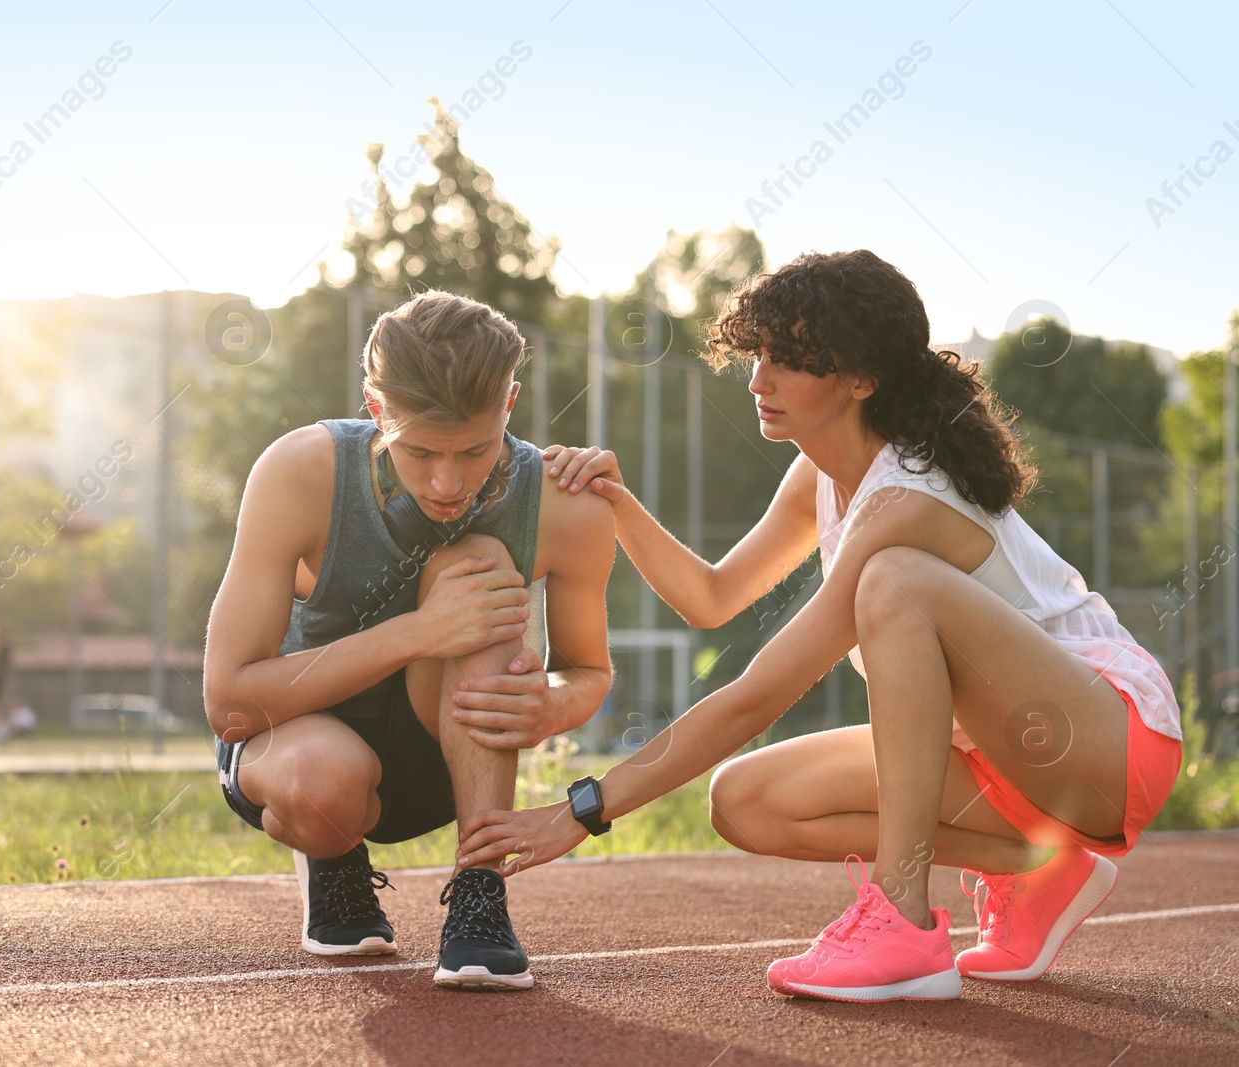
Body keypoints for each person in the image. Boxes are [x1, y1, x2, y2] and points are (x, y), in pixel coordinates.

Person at [456, 250, 1183, 1003]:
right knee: (742, 799)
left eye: (792, 361)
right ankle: (1036, 866)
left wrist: (585, 807)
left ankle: (904, 922)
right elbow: (710, 598)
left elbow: (758, 694)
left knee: (894, 580)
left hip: (1105, 739)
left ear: (861, 378)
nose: (760, 380)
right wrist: (619, 503)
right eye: (760, 355)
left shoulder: (910, 498)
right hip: (999, 769)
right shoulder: (820, 473)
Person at [204, 289, 615, 990]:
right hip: (302, 741)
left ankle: (480, 892)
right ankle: (332, 858)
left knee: (479, 567)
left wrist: (551, 706)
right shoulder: (298, 472)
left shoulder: (567, 504)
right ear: (375, 408)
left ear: (509, 404)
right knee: (321, 784)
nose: (447, 481)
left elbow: (589, 671)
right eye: (420, 451)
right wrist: (415, 633)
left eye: (475, 449)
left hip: (450, 756)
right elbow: (232, 706)